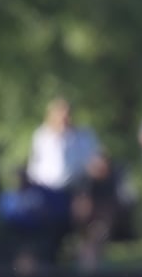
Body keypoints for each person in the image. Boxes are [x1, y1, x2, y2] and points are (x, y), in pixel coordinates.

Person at [23, 97, 101, 264]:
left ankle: (87, 265)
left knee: (86, 217)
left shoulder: (83, 136)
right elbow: (34, 168)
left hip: (76, 191)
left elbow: (94, 164)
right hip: (47, 193)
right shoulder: (42, 136)